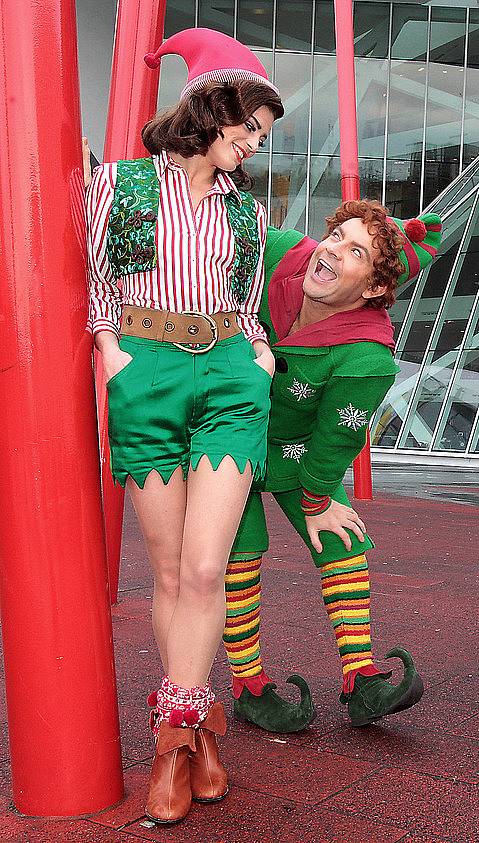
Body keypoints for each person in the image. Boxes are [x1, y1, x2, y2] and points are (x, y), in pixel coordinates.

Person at [85, 28, 283, 825]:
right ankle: (199, 737)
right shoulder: (122, 185)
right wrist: (112, 356)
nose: (257, 144)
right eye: (254, 128)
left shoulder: (250, 214)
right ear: (217, 109)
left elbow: (246, 306)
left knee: (205, 572)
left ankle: (172, 741)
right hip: (146, 368)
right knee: (168, 575)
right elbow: (96, 280)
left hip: (232, 373)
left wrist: (261, 358)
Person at [220, 202, 440, 733]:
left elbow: (337, 437)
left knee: (341, 540)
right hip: (225, 435)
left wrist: (319, 501)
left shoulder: (367, 356)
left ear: (371, 289)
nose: (333, 250)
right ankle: (249, 683)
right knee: (238, 551)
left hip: (298, 451)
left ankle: (360, 677)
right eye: (337, 235)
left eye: (355, 251)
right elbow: (216, 221)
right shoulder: (277, 251)